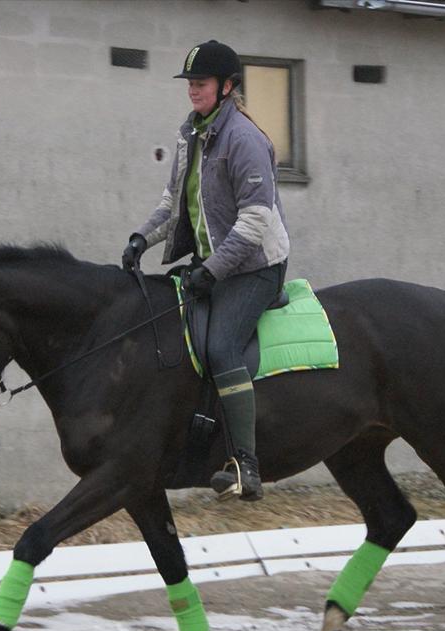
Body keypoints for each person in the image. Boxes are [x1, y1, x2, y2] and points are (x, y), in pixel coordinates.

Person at [122, 39, 290, 502]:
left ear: (227, 87)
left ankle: (245, 464)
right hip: (213, 264)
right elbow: (173, 205)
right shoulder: (191, 134)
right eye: (190, 83)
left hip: (255, 267)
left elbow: (255, 221)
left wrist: (211, 271)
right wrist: (141, 238)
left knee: (220, 347)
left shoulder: (244, 139)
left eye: (201, 82)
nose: (193, 90)